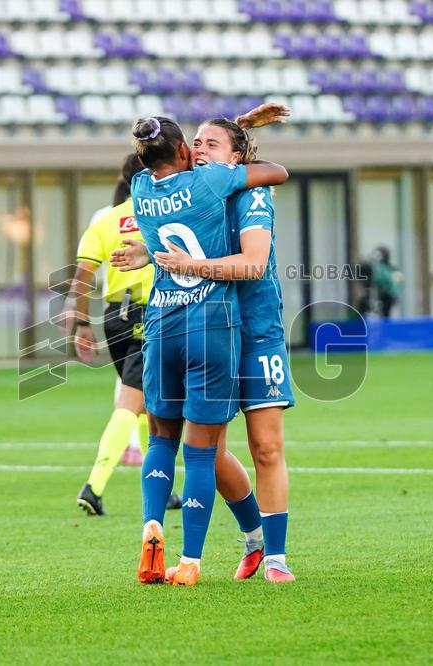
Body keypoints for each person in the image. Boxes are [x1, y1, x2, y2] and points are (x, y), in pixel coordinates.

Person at [114, 114, 297, 583]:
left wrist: (190, 265)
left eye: (210, 144)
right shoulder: (199, 184)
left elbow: (253, 264)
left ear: (236, 157)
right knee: (207, 451)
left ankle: (276, 558)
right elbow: (181, 229)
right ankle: (253, 538)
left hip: (253, 329)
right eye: (194, 142)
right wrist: (148, 252)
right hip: (208, 327)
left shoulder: (251, 193)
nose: (198, 149)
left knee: (265, 447)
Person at [68, 153, 179, 515]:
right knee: (132, 403)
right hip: (151, 313)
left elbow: (82, 276)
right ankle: (94, 486)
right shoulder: (163, 214)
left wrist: (81, 324)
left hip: (114, 317)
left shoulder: (107, 219)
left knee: (146, 403)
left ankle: (162, 488)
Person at [358, 246, 401, 318]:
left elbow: (396, 284)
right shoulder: (377, 266)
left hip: (386, 295)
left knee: (385, 312)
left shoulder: (390, 269)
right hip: (379, 293)